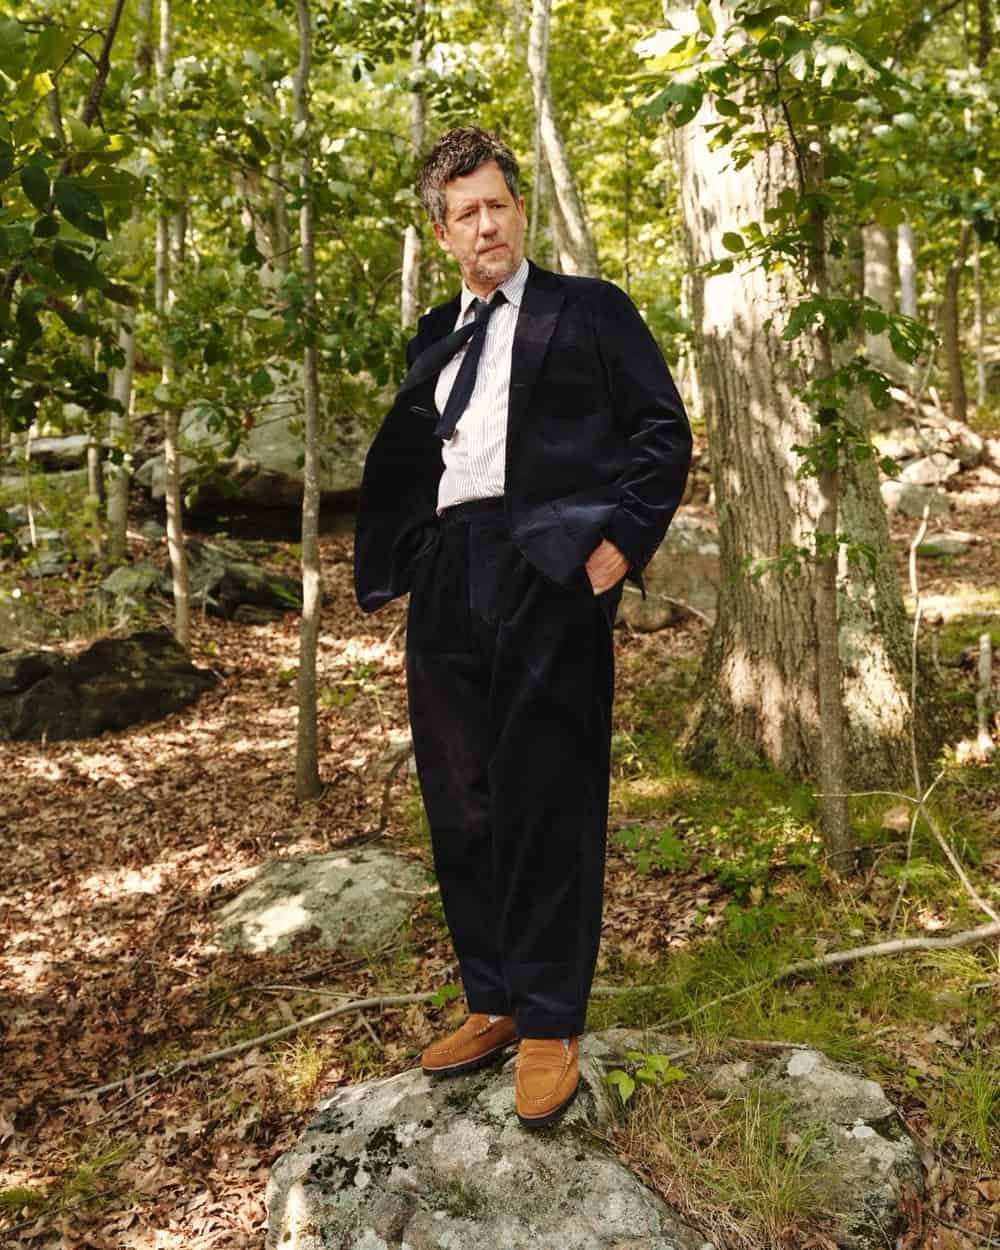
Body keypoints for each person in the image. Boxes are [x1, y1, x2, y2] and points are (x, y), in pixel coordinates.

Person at [354, 127, 692, 1129]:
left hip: (549, 567)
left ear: (518, 208)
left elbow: (660, 431)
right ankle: (494, 996)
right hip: (449, 574)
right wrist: (414, 556)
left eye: (497, 202)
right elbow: (421, 457)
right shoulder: (430, 333)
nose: (486, 222)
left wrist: (613, 551)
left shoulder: (586, 310)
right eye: (466, 212)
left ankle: (550, 1018)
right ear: (442, 230)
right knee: (460, 795)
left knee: (546, 788)